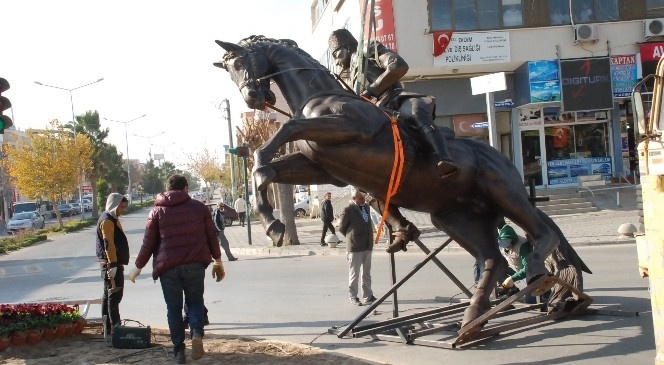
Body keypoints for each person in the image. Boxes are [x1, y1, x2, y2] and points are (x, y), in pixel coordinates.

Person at [328, 29, 458, 179]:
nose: (336, 61)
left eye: (335, 55)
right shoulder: (351, 76)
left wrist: (371, 91)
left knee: (415, 113)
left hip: (395, 99)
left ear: (347, 48)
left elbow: (398, 65)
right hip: (377, 110)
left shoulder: (367, 49)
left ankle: (444, 159)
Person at [128, 174, 225, 364]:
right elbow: (211, 236)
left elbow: (148, 243)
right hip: (195, 264)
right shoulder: (199, 208)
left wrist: (138, 267)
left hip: (168, 267)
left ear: (167, 189)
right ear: (186, 188)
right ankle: (196, 333)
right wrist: (218, 260)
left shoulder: (157, 211)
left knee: (173, 309)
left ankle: (179, 351)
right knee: (195, 301)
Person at [96, 193, 129, 333]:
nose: (123, 210)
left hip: (111, 263)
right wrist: (113, 265)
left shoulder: (112, 219)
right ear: (114, 205)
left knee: (107, 295)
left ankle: (108, 327)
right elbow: (108, 244)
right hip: (111, 264)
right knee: (114, 296)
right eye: (121, 207)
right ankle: (115, 326)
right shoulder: (108, 221)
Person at [338, 189, 376, 306]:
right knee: (354, 273)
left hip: (367, 244)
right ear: (354, 199)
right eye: (360, 198)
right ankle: (353, 296)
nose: (363, 200)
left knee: (367, 273)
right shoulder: (348, 209)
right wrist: (351, 236)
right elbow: (341, 227)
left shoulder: (366, 207)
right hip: (355, 246)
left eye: (363, 198)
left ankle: (368, 296)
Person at [496, 223, 536, 304]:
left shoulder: (523, 246)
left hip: (527, 274)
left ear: (512, 240)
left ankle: (540, 295)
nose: (505, 247)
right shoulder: (503, 244)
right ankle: (512, 290)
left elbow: (528, 268)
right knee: (497, 269)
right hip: (514, 269)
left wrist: (512, 278)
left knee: (530, 301)